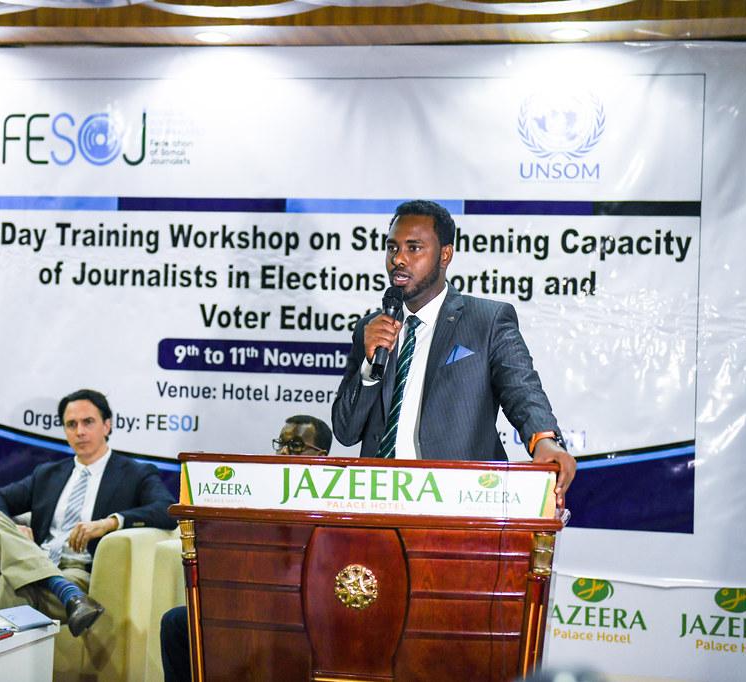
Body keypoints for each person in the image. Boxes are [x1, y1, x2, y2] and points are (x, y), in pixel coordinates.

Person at [331, 199, 576, 504]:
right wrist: (370, 368)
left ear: (445, 255)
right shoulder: (371, 329)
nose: (398, 259)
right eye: (392, 248)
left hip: (457, 501)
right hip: (377, 500)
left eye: (414, 248)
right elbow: (346, 432)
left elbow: (522, 391)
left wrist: (544, 440)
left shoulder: (487, 321)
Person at [0, 388, 175, 636]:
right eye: (71, 424)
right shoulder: (47, 474)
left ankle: (58, 590)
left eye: (88, 422)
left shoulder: (135, 473)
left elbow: (167, 510)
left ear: (107, 425)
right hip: (40, 559)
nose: (79, 431)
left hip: (77, 570)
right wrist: (14, 531)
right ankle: (65, 593)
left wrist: (110, 523)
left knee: (11, 580)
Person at [160, 415, 332, 682]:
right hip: (249, 602)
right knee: (176, 623)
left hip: (301, 611)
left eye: (296, 445)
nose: (284, 452)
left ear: (321, 456)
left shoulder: (331, 503)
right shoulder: (258, 494)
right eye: (281, 444)